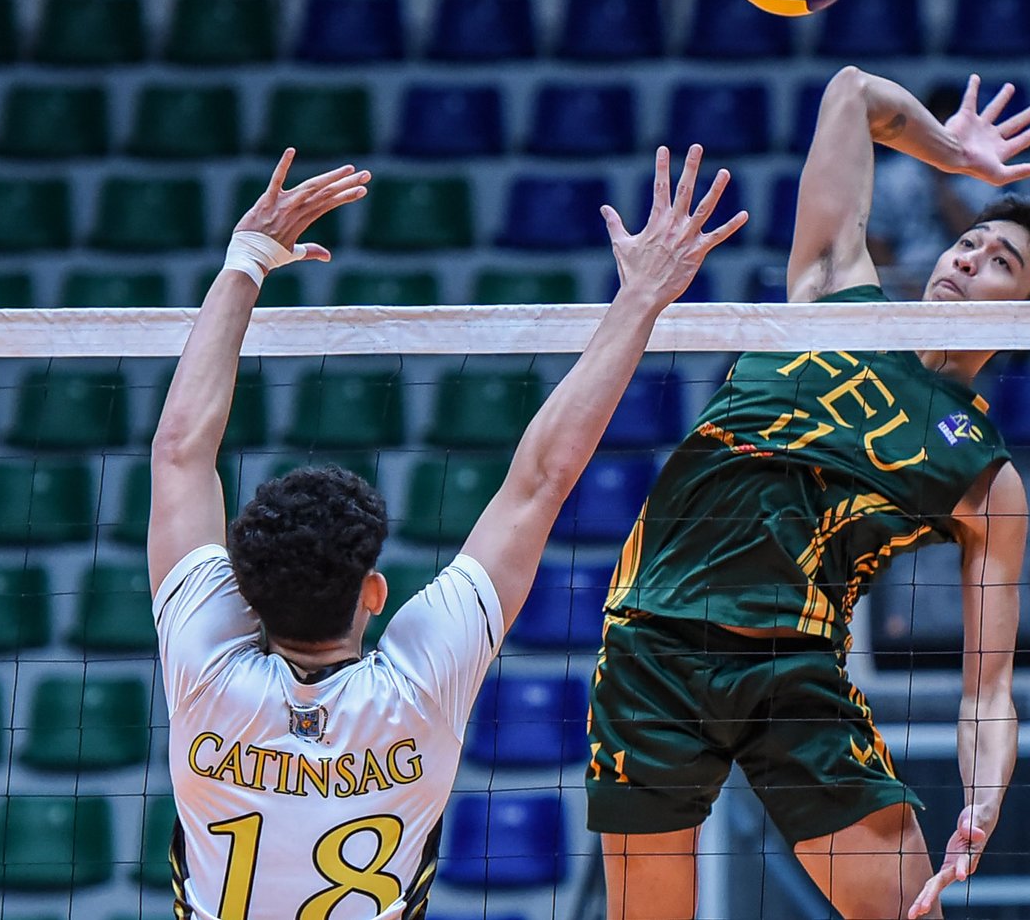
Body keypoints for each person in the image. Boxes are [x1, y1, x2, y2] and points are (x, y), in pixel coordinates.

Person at [149, 144, 745, 920]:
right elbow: (540, 480)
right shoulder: (417, 688)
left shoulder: (203, 669)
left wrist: (246, 259)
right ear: (374, 591)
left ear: (246, 596)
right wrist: (640, 300)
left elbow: (179, 452)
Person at [586, 67, 1030, 920]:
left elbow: (987, 688)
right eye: (971, 240)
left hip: (796, 673)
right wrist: (950, 151)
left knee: (902, 908)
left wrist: (986, 793)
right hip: (654, 649)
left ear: (1027, 315)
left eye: (1002, 262)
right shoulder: (832, 292)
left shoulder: (987, 477)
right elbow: (853, 93)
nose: (968, 257)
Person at [867, 82, 1000, 288]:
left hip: (966, 281)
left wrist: (940, 184)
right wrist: (908, 291)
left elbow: (985, 242)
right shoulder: (891, 176)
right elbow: (875, 244)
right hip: (900, 287)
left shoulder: (984, 176)